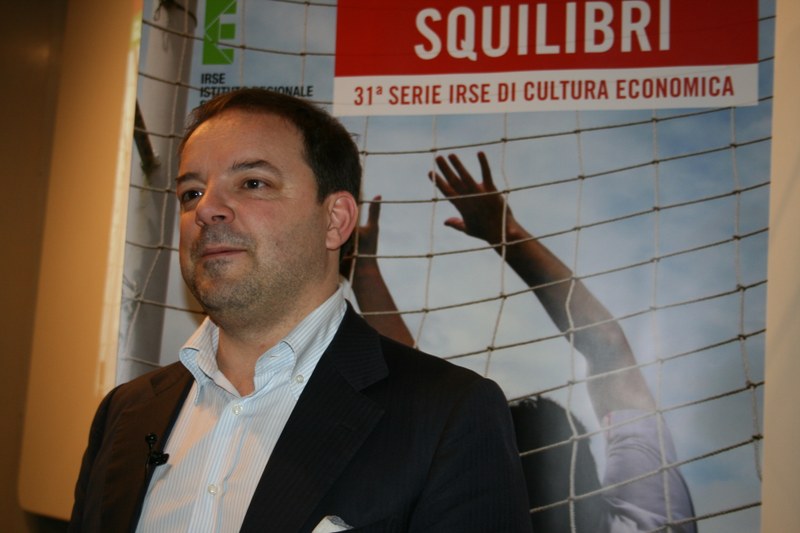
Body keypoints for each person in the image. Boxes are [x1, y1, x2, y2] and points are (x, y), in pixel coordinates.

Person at [69, 90, 532, 532]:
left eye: (253, 183)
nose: (207, 209)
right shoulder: (124, 413)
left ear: (335, 220)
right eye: (191, 193)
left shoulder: (448, 415)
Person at [343, 152, 697, 532]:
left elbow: (414, 399)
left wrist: (364, 272)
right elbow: (608, 348)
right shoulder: (650, 524)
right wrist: (507, 233)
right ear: (586, 464)